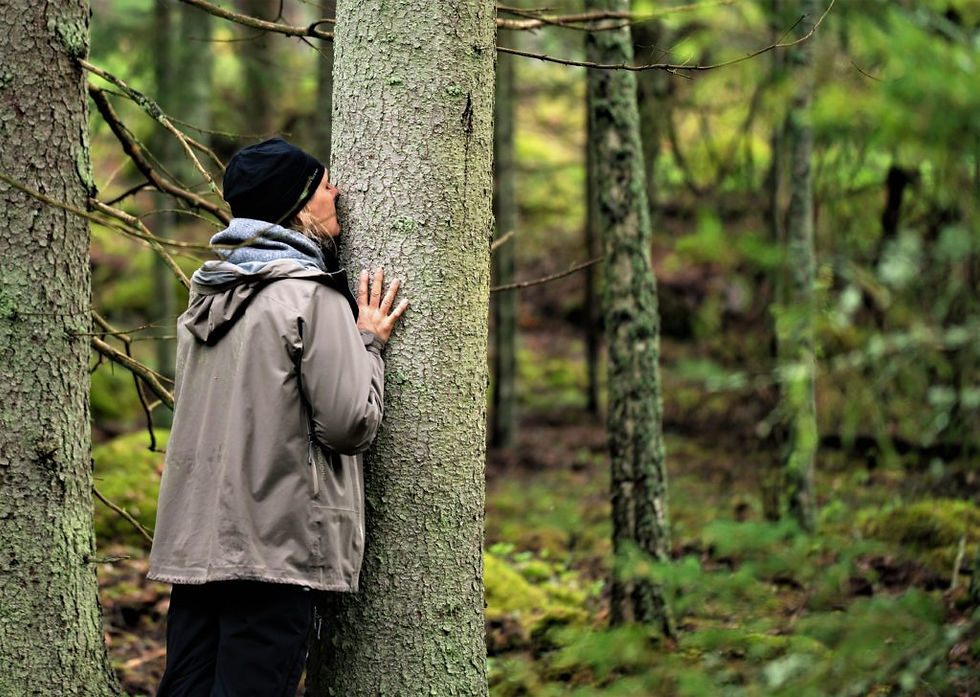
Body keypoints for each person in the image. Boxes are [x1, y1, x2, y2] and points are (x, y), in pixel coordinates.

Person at [148, 138, 407, 696]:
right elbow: (348, 424)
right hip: (275, 550)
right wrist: (367, 343)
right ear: (296, 204)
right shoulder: (310, 296)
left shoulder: (205, 299)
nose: (336, 192)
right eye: (322, 185)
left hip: (197, 549)